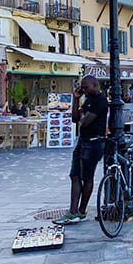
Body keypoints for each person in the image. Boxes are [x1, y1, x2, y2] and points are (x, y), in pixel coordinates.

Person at [54, 75, 108, 225]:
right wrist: (76, 99)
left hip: (94, 143)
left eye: (86, 87)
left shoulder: (101, 101)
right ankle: (73, 211)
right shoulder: (88, 100)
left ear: (95, 85)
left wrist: (83, 116)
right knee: (75, 175)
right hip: (82, 141)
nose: (83, 90)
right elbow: (75, 119)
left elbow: (85, 122)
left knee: (87, 178)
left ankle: (82, 211)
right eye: (82, 87)